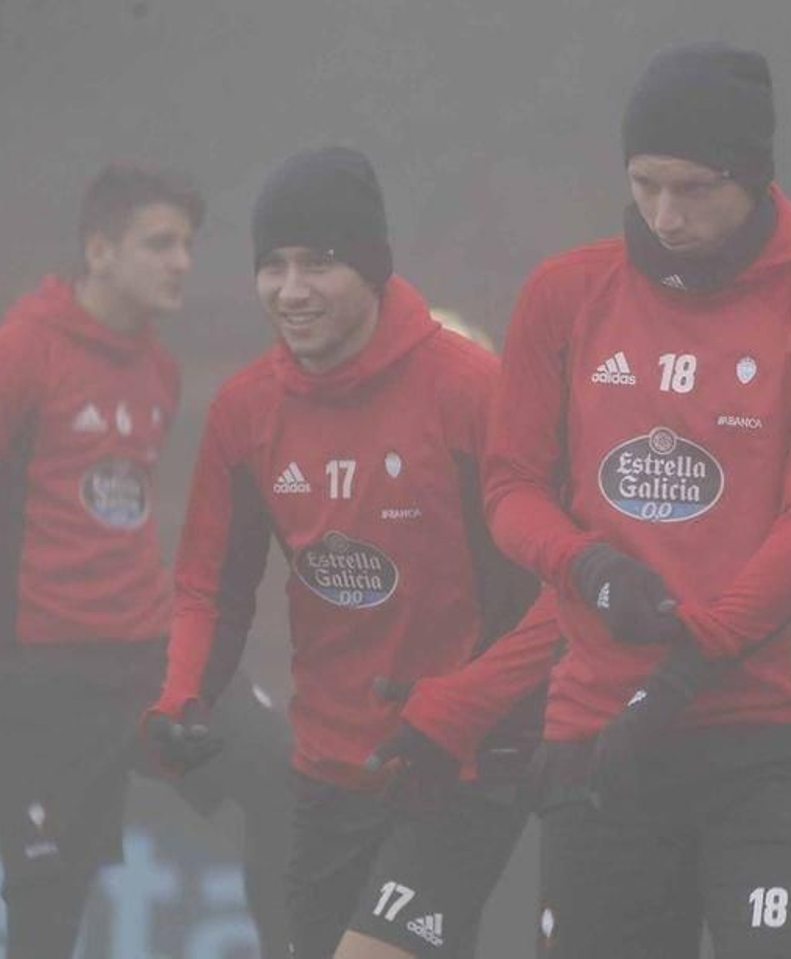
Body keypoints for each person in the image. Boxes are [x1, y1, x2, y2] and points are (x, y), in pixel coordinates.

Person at [484, 42, 791, 958]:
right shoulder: (563, 294)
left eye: (694, 188)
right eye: (644, 184)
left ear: (752, 176)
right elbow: (510, 487)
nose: (665, 215)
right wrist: (583, 564)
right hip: (600, 739)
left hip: (769, 744)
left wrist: (680, 675)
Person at [144, 146, 552, 959]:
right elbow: (207, 591)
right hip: (328, 768)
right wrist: (181, 698)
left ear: (371, 268)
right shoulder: (244, 411)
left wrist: (463, 704)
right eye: (274, 266)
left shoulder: (471, 389)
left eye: (320, 264)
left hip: (460, 765)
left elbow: (560, 587)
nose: (291, 291)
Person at [0, 162, 292, 958]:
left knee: (286, 775)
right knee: (47, 917)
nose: (182, 261)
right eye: (159, 243)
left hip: (152, 663)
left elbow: (117, 514)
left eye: (187, 244)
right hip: (43, 680)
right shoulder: (8, 359)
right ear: (99, 251)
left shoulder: (159, 370)